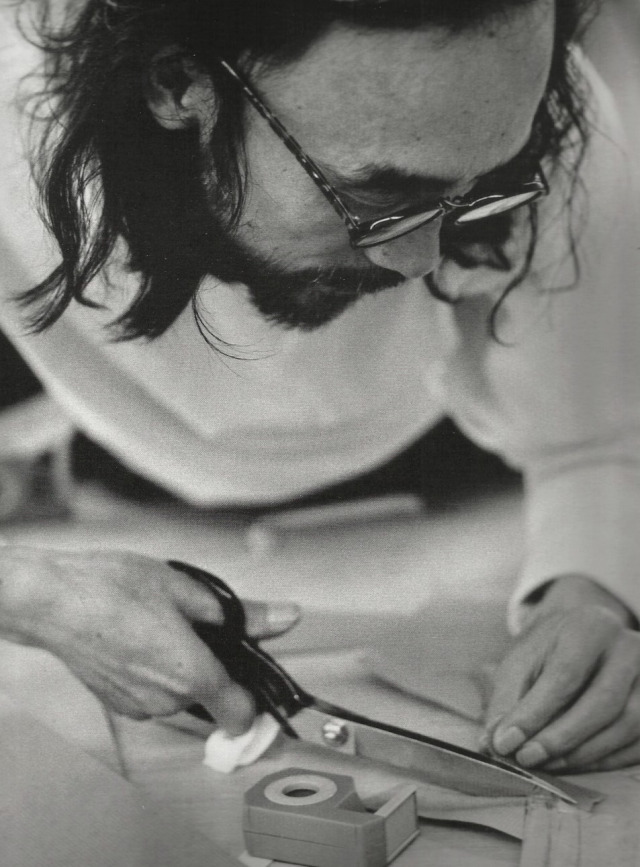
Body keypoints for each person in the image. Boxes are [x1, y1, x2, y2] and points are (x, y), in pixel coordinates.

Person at [0, 0, 639, 775]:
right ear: (177, 84)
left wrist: (589, 591)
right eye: (378, 195)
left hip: (453, 470)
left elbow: (596, 439)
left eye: (487, 184)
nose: (421, 260)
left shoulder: (529, 98)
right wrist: (35, 594)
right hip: (118, 482)